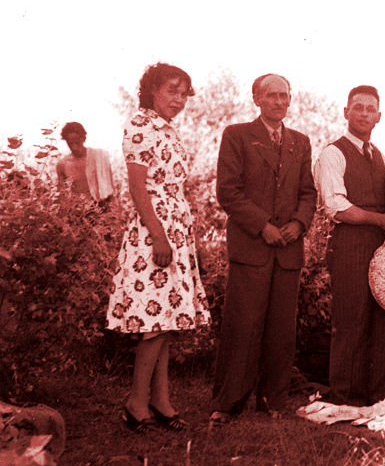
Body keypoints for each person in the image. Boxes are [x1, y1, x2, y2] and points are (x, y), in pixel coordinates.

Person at [106, 63, 210, 432]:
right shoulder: (140, 126)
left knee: (165, 319)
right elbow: (138, 188)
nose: (178, 99)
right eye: (171, 90)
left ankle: (160, 401)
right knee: (153, 322)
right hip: (154, 233)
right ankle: (136, 403)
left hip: (175, 229)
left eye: (184, 93)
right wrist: (159, 235)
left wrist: (179, 233)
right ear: (152, 91)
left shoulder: (168, 129)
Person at [209, 74, 317, 426]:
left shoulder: (300, 142)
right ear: (256, 98)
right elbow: (228, 191)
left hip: (288, 250)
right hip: (252, 247)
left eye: (284, 95)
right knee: (243, 324)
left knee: (281, 329)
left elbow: (307, 193)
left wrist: (299, 224)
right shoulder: (237, 135)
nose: (279, 102)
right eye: (271, 95)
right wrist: (263, 226)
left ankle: (273, 400)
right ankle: (227, 403)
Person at [313, 85, 385, 406]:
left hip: (382, 250)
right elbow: (335, 206)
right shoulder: (333, 153)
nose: (364, 114)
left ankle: (381, 398)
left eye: (371, 109)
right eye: (358, 107)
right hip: (350, 245)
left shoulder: (378, 155)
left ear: (378, 117)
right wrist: (380, 220)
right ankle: (344, 399)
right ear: (346, 112)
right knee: (351, 322)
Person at [55, 122, 114, 205]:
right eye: (70, 143)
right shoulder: (63, 165)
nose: (74, 147)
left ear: (83, 139)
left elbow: (110, 187)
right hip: (78, 212)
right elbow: (62, 194)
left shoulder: (99, 157)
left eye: (77, 142)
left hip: (102, 208)